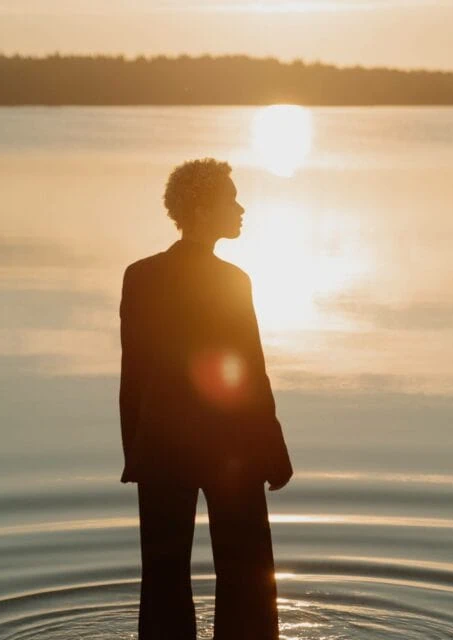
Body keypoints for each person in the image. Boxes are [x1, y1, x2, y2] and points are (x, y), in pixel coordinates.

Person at [118, 157, 294, 639]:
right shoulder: (231, 281)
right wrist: (273, 452)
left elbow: (132, 376)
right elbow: (250, 377)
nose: (240, 208)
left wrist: (135, 450)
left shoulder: (140, 276)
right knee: (246, 576)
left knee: (162, 576)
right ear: (200, 208)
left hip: (161, 447)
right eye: (230, 199)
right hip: (230, 451)